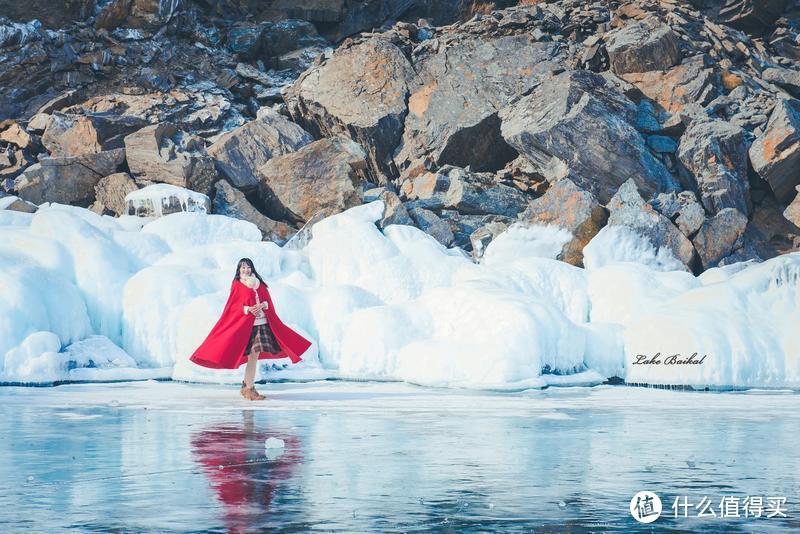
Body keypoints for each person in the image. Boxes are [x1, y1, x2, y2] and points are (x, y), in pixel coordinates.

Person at [189, 258, 311, 400]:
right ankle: (248, 388)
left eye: (248, 267)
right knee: (253, 356)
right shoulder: (237, 284)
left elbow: (268, 301)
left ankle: (247, 387)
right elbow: (232, 306)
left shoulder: (259, 284)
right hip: (247, 327)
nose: (246, 270)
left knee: (254, 356)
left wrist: (263, 305)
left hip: (263, 324)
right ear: (239, 270)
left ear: (252, 269)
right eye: (243, 267)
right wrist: (247, 309)